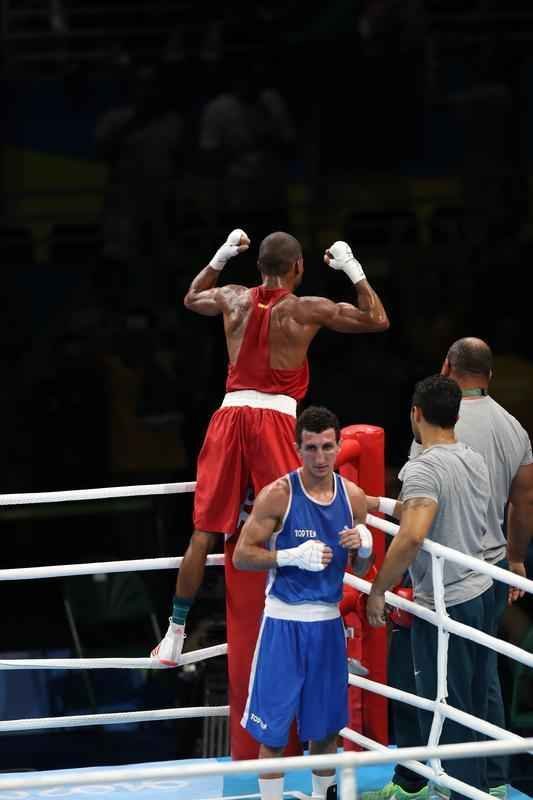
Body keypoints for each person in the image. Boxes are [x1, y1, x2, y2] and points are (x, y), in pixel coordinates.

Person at [150, 228, 389, 666]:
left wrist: (221, 255)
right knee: (301, 519)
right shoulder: (304, 308)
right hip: (275, 420)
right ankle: (325, 633)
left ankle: (174, 634)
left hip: (228, 417)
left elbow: (192, 297)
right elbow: (377, 319)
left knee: (204, 532)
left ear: (259, 266)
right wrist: (351, 267)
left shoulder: (233, 297)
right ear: (298, 267)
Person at [364, 338, 533, 800]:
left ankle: (439, 786)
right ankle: (489, 780)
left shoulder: (425, 461)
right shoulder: (496, 440)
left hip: (447, 589)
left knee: (441, 693)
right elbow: (517, 504)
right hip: (486, 575)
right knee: (480, 683)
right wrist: (516, 557)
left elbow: (414, 531)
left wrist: (379, 589)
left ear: (417, 413)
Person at [233, 405, 374, 800]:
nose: (320, 457)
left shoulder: (353, 498)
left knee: (325, 733)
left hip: (327, 626)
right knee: (273, 735)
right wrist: (289, 556)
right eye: (311, 448)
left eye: (327, 447)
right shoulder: (278, 495)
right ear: (297, 449)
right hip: (283, 624)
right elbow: (242, 555)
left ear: (339, 445)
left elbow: (362, 568)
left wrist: (365, 548)